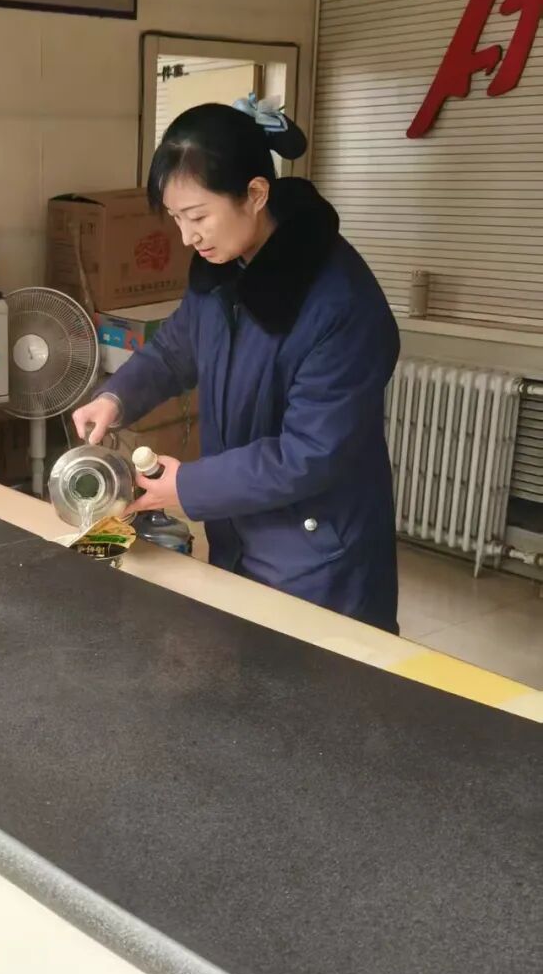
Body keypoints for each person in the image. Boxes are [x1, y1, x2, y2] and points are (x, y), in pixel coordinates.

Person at [73, 101, 400, 633]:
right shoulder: (223, 267)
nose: (188, 237)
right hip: (240, 534)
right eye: (176, 218)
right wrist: (117, 396)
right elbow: (177, 347)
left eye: (198, 216)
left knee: (317, 681)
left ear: (255, 193)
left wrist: (189, 486)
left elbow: (309, 452)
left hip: (320, 559)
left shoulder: (340, 303)